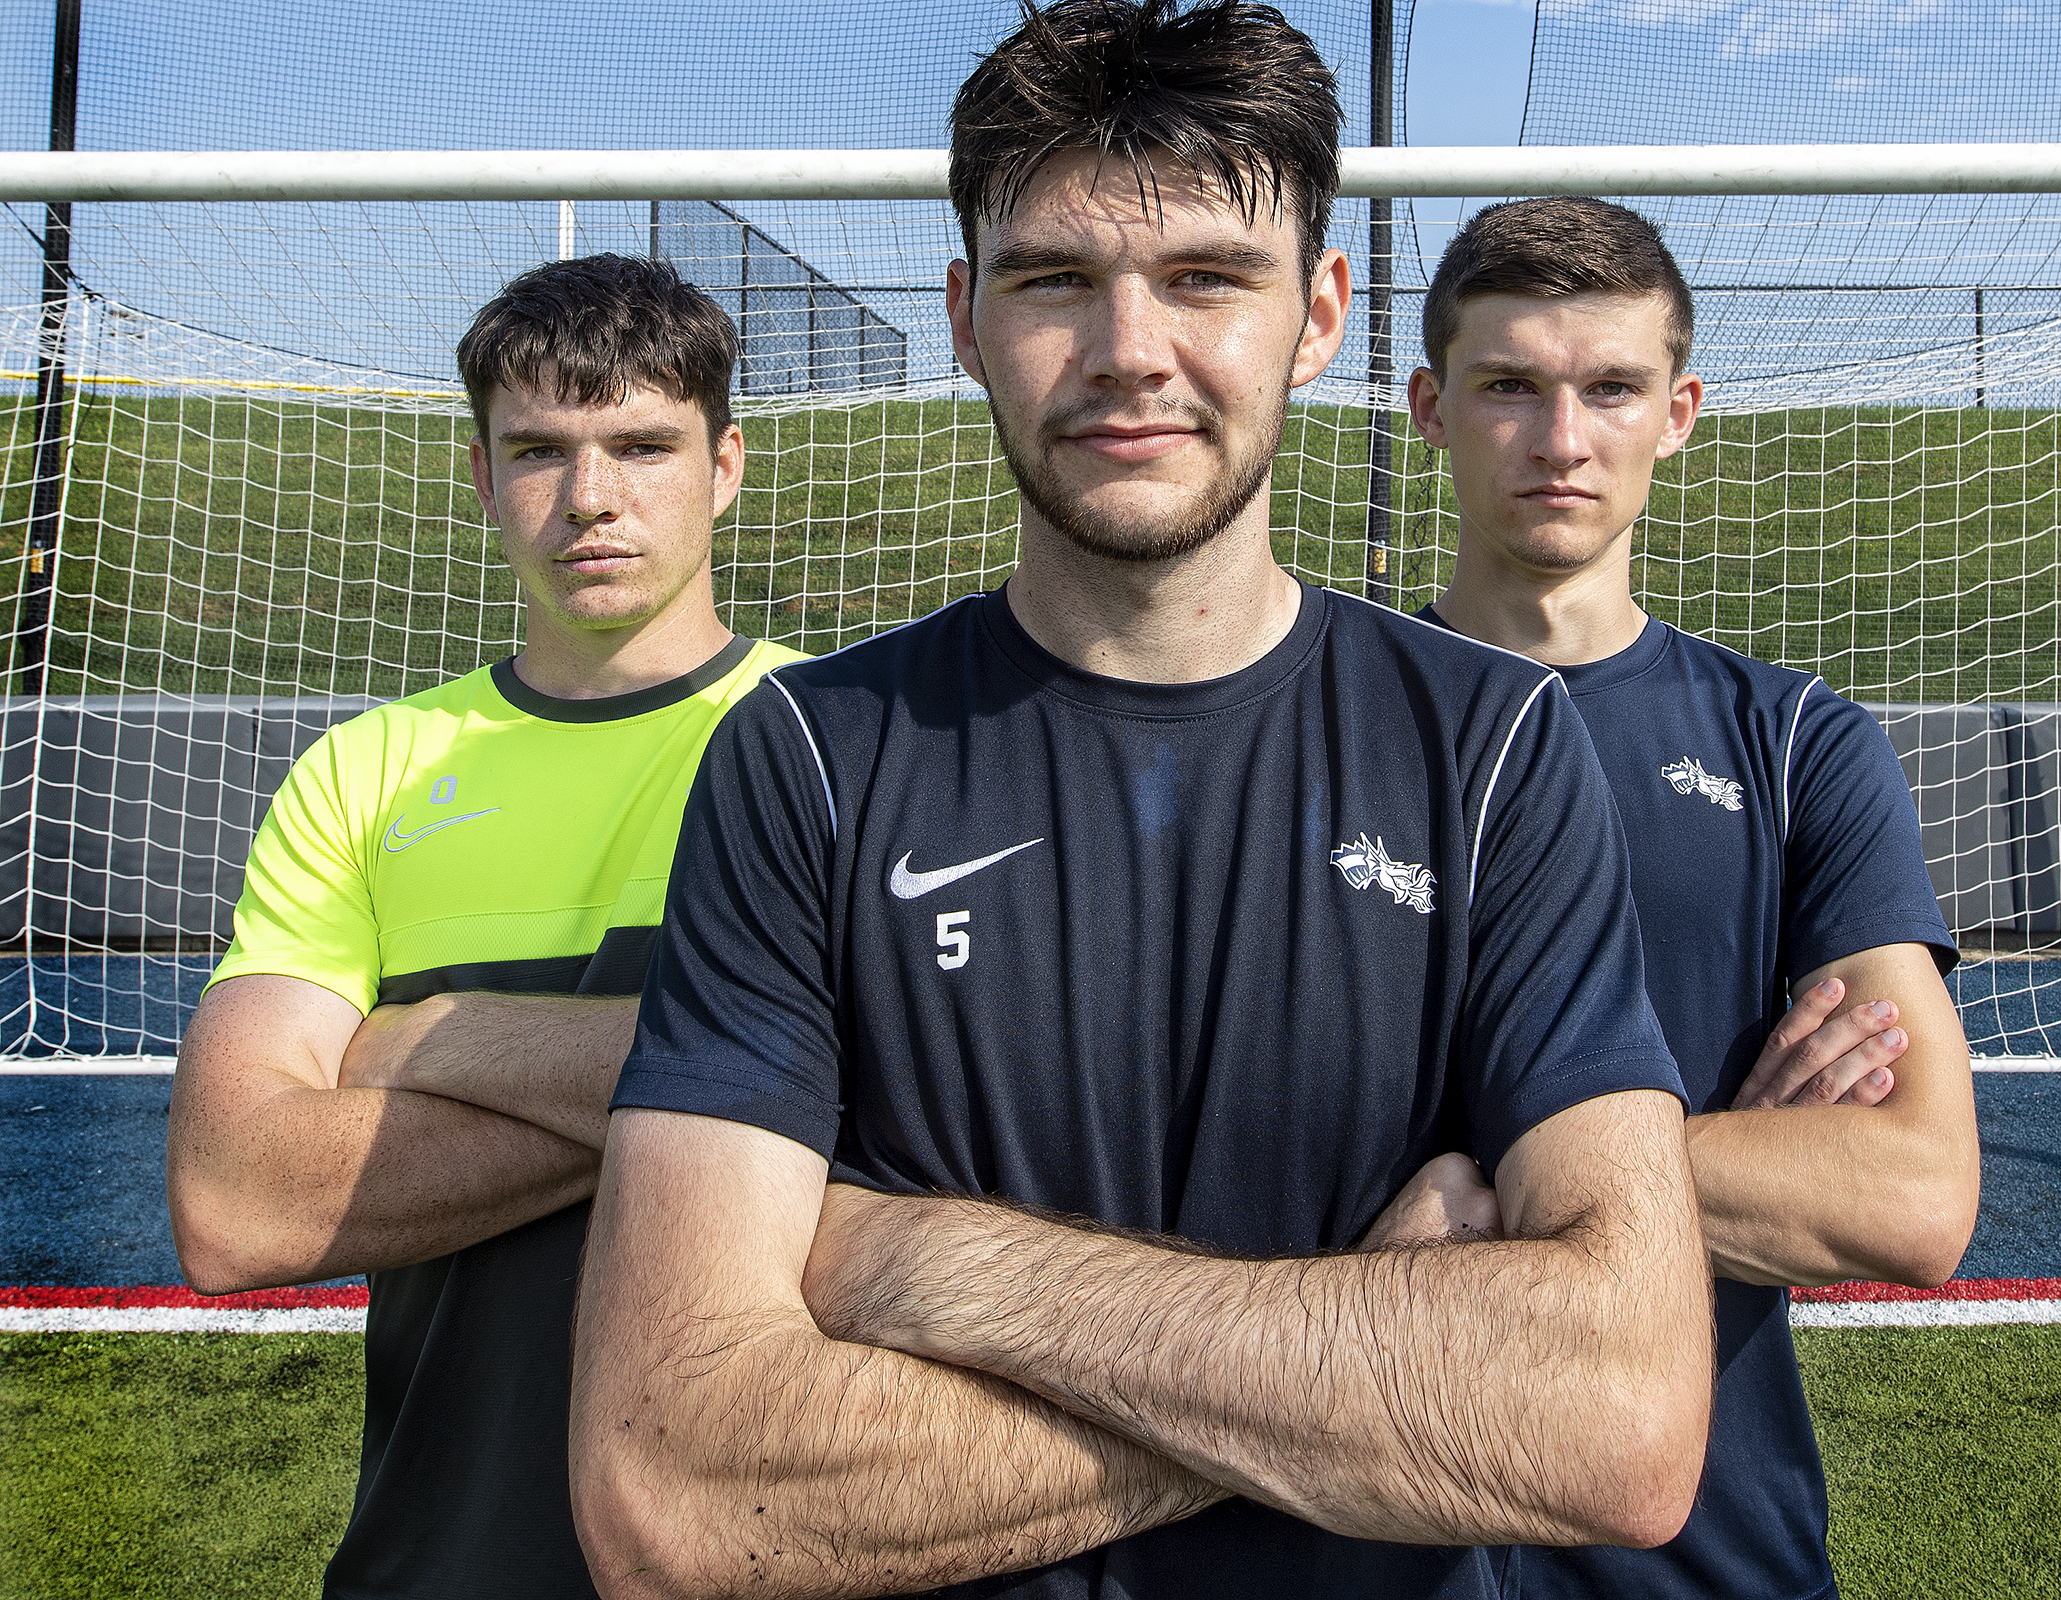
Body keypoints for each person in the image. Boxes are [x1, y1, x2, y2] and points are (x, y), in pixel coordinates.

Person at [567, 4, 1716, 1598]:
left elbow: (1622, 1424)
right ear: (968, 315)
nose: (1129, 350)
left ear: (1317, 314)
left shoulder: (1497, 749)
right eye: (1054, 280)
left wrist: (939, 1269)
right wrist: (1364, 1361)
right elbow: (672, 1486)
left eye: (1204, 278)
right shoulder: (806, 758)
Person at [165, 253, 803, 1600]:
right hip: (439, 1558)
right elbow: (234, 1200)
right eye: (539, 451)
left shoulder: (842, 746)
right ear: (478, 476)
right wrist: (748, 1081)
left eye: (641, 444)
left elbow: (903, 1110)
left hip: (774, 1549)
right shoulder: (366, 771)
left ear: (726, 465)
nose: (589, 498)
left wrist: (426, 1040)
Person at [1400, 196, 1983, 1600]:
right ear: (1428, 406)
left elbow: (1912, 1194)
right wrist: (1724, 1160)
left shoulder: (1794, 745)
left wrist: (1463, 1189)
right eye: (1508, 388)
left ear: (1680, 412)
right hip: (1371, 1538)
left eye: (1611, 389)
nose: (1560, 440)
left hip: (1699, 1553)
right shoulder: (1312, 722)